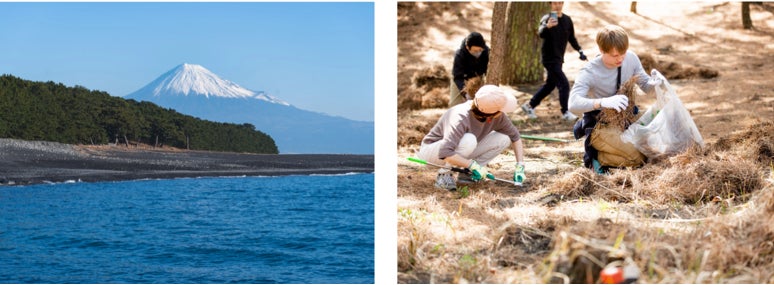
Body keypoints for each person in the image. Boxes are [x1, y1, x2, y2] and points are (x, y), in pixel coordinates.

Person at [568, 24, 662, 173]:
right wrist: (602, 102)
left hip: (626, 118)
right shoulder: (589, 71)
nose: (620, 59)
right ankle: (596, 157)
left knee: (654, 147)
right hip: (601, 125)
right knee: (638, 158)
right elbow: (573, 104)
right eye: (614, 55)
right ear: (601, 50)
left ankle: (614, 150)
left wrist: (657, 84)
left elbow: (645, 85)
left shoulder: (630, 58)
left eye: (622, 53)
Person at [417, 85, 526, 191]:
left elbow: (515, 136)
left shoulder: (498, 116)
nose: (503, 112)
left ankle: (468, 175)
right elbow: (445, 152)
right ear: (490, 113)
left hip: (457, 149)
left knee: (504, 138)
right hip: (432, 152)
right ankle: (444, 175)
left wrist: (520, 165)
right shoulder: (460, 116)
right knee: (468, 140)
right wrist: (472, 165)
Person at [521, 1, 586, 121]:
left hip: (559, 58)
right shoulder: (547, 18)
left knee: (550, 85)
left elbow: (571, 38)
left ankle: (529, 105)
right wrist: (547, 26)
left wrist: (580, 50)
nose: (558, 5)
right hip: (549, 59)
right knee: (564, 84)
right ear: (550, 4)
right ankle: (565, 112)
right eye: (555, 3)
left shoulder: (567, 20)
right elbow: (540, 33)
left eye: (560, 2)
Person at [449, 32, 490, 107]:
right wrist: (466, 93)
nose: (478, 53)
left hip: (478, 78)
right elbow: (458, 77)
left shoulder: (486, 51)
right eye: (475, 51)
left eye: (480, 50)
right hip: (461, 79)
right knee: (454, 104)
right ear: (468, 47)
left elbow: (487, 70)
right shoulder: (459, 55)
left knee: (479, 104)